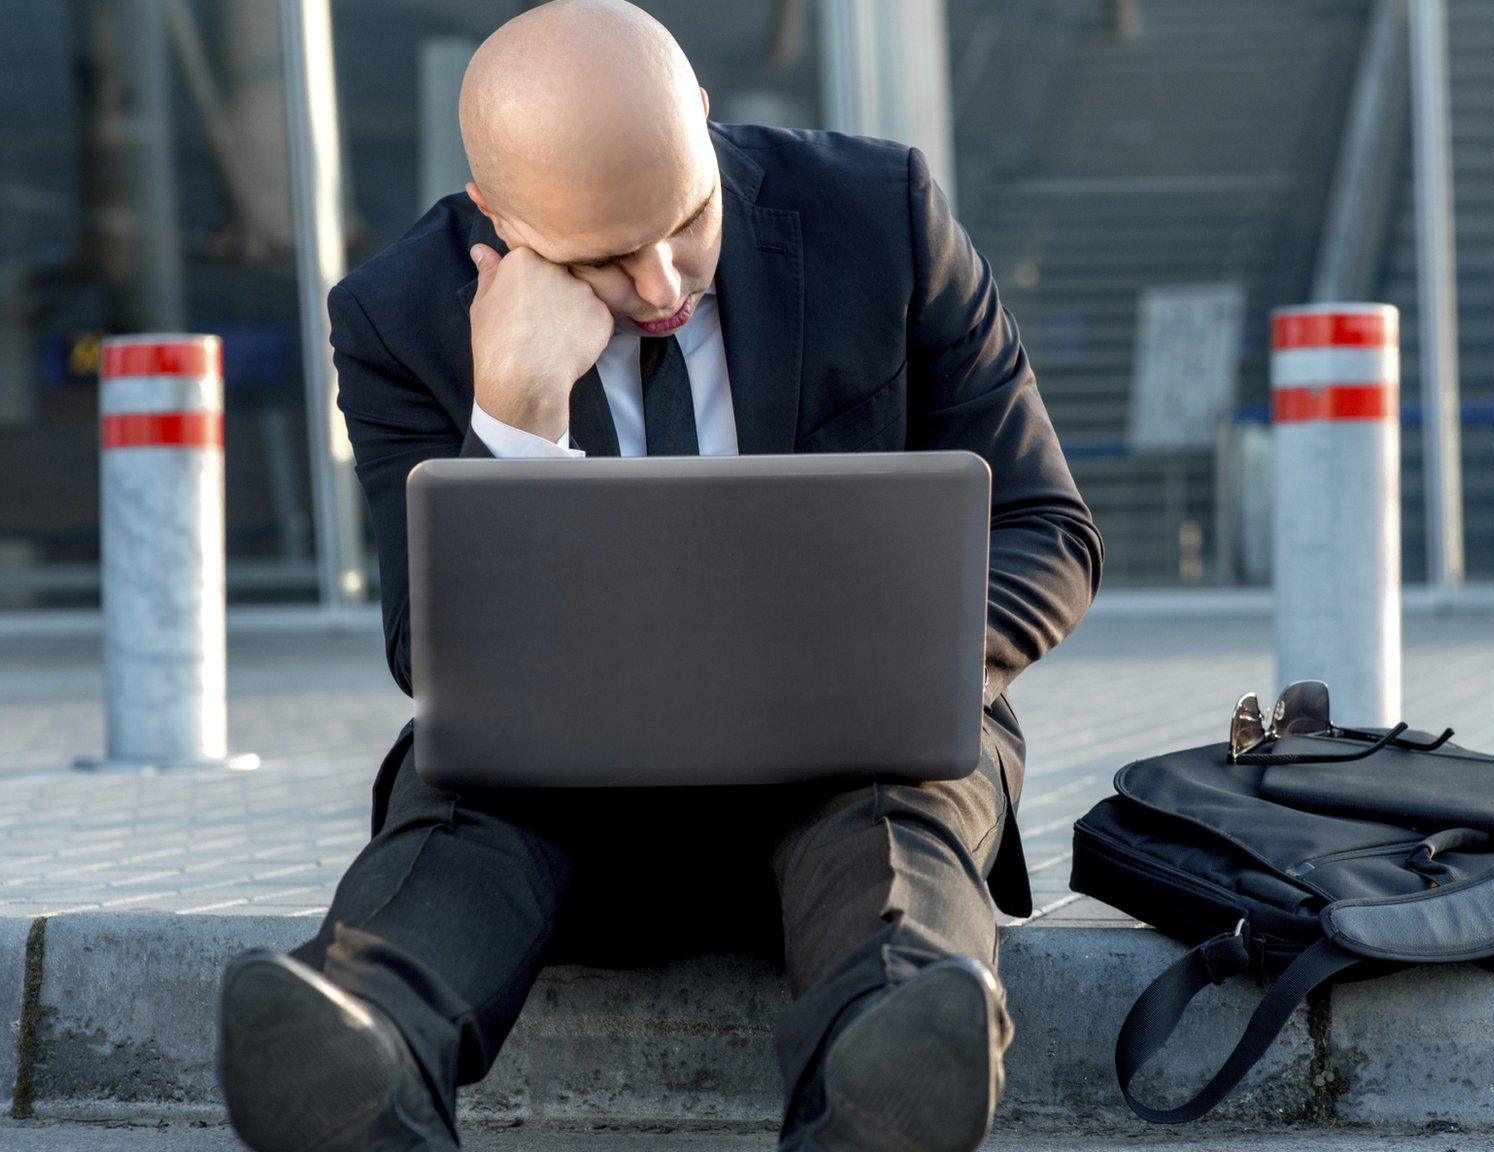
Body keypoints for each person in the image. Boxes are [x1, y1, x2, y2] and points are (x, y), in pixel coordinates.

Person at [214, 2, 1101, 1150]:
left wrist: (895, 664)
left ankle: (892, 1064)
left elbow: (1047, 526)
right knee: (465, 798)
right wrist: (512, 418)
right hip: (573, 797)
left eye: (685, 220)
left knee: (901, 811)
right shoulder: (399, 317)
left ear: (701, 119)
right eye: (600, 258)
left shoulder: (879, 216)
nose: (664, 279)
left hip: (853, 761)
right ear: (496, 216)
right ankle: (360, 1045)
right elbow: (430, 654)